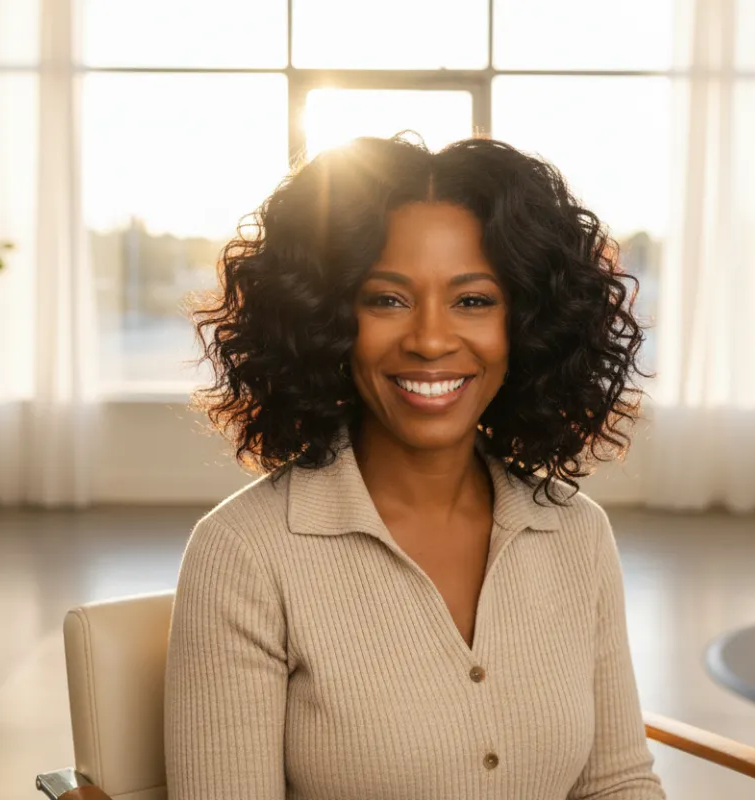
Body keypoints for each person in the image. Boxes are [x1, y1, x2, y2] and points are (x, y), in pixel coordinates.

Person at [164, 134, 665, 800]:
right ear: (329, 321)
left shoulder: (576, 534)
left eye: (474, 301)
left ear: (529, 326)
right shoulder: (246, 553)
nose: (430, 339)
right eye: (388, 300)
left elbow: (617, 784)